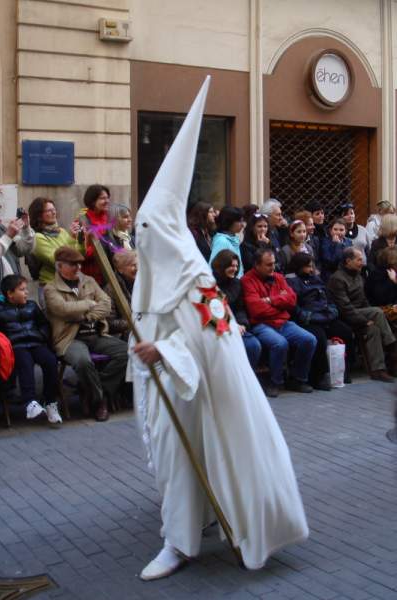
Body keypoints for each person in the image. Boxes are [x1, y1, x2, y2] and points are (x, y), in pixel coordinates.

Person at [129, 77, 308, 581]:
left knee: (187, 454)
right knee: (178, 461)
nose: (139, 243)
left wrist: (162, 352)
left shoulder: (192, 280)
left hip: (194, 388)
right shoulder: (157, 270)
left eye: (145, 233)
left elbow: (206, 342)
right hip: (168, 385)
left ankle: (179, 543)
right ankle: (191, 523)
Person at [44, 246, 128, 421]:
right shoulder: (50, 289)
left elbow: (106, 303)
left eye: (79, 264)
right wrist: (89, 303)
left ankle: (98, 392)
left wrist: (86, 315)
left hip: (96, 333)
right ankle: (100, 402)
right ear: (60, 266)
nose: (78, 268)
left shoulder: (88, 281)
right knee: (83, 362)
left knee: (126, 352)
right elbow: (63, 309)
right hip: (70, 339)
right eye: (73, 264)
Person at [241, 248, 317, 397]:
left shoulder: (278, 277)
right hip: (260, 324)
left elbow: (292, 299)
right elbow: (256, 309)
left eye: (274, 264)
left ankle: (297, 378)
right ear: (257, 265)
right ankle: (274, 382)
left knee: (309, 339)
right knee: (279, 343)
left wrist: (270, 300)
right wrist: (280, 306)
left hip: (282, 322)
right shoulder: (247, 280)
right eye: (268, 265)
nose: (273, 268)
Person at [0, 274, 62, 425]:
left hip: (35, 342)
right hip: (15, 346)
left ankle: (50, 402)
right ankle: (29, 402)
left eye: (26, 289)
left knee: (50, 361)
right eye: (22, 290)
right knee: (25, 362)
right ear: (10, 294)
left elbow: (43, 324)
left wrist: (42, 335)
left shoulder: (32, 306)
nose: (26, 292)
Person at [327, 247, 397, 381]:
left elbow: (364, 301)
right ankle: (392, 345)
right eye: (359, 260)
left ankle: (378, 370)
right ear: (348, 261)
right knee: (377, 311)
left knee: (374, 329)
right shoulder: (337, 279)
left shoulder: (358, 276)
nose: (363, 262)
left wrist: (367, 320)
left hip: (361, 313)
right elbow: (345, 308)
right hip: (345, 317)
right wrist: (364, 320)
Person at [287, 252, 354, 388]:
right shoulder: (292, 282)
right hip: (309, 319)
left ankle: (344, 370)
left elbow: (328, 298)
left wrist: (332, 311)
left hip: (325, 316)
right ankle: (319, 376)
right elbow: (294, 306)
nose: (311, 270)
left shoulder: (316, 279)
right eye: (307, 267)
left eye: (312, 266)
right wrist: (308, 316)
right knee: (319, 338)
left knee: (346, 332)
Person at [211, 249, 262, 369]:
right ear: (221, 266)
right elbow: (214, 310)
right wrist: (232, 325)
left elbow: (240, 308)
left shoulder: (237, 284)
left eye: (236, 266)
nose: (234, 269)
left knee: (253, 345)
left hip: (237, 326)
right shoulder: (210, 283)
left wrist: (242, 324)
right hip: (218, 326)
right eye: (231, 266)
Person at [28, 197, 84, 287]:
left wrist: (81, 239)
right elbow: (57, 260)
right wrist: (72, 238)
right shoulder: (37, 237)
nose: (54, 212)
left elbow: (79, 257)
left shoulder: (62, 231)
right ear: (39, 216)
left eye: (54, 209)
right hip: (51, 285)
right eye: (49, 211)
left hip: (69, 283)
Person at [78, 184, 111, 285]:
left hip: (109, 274)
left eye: (108, 198)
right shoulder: (82, 221)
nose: (107, 201)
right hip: (91, 277)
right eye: (102, 198)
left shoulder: (109, 218)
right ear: (92, 201)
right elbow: (80, 253)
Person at [104, 250, 137, 341]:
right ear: (120, 269)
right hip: (121, 335)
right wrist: (134, 322)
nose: (137, 268)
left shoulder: (140, 283)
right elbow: (109, 323)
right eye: (133, 265)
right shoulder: (111, 289)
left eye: (138, 264)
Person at [365, 247, 397, 333]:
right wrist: (392, 281)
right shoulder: (377, 274)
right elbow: (381, 298)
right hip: (380, 308)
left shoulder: (393, 273)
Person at [208, 206, 245, 277]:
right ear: (229, 222)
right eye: (239, 221)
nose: (243, 225)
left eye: (243, 221)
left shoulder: (234, 239)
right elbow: (215, 268)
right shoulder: (222, 241)